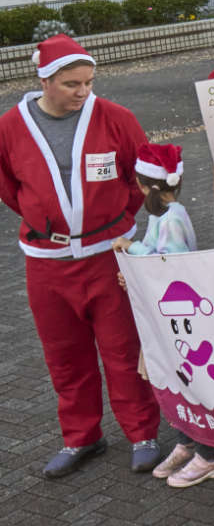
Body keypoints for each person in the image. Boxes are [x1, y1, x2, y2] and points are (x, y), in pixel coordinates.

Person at [0, 34, 162, 478]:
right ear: (45, 80)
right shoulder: (11, 126)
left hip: (109, 256)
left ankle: (142, 433)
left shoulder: (116, 118)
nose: (83, 92)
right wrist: (48, 220)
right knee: (64, 355)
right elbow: (10, 188)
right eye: (72, 84)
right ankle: (81, 436)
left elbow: (142, 178)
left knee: (123, 349)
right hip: (46, 263)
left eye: (89, 82)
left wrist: (113, 222)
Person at [112, 144, 214, 487]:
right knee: (170, 378)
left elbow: (169, 263)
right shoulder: (162, 214)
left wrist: (134, 250)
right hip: (166, 313)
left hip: (177, 318)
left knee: (182, 380)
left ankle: (209, 453)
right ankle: (188, 441)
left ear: (147, 186)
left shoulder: (172, 217)